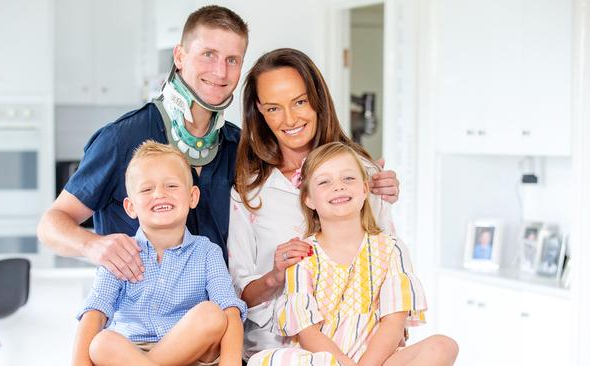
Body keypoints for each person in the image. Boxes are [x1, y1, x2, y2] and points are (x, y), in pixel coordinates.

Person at [36, 6, 399, 282]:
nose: (220, 71)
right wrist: (94, 246)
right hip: (137, 329)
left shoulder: (237, 147)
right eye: (208, 54)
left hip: (214, 334)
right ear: (179, 57)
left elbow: (300, 188)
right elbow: (52, 224)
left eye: (232, 60)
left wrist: (364, 181)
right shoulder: (123, 138)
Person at [228, 48, 400, 359]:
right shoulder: (250, 193)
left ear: (317, 99)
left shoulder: (366, 176)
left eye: (299, 102)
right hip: (279, 352)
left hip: (364, 353)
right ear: (259, 111)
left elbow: (393, 274)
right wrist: (275, 276)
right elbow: (238, 294)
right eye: (273, 108)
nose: (290, 119)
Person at [247, 142, 458, 366]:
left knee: (443, 346)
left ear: (365, 189)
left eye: (348, 178)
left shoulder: (390, 249)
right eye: (324, 182)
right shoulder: (303, 255)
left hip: (376, 359)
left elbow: (393, 323)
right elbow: (307, 332)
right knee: (270, 360)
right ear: (309, 199)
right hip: (322, 359)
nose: (338, 187)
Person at [72, 141, 247, 366]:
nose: (159, 194)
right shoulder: (120, 253)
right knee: (101, 343)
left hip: (190, 352)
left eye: (171, 186)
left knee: (213, 314)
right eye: (146, 189)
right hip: (129, 354)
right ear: (130, 207)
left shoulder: (207, 252)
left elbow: (230, 311)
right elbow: (93, 314)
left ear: (193, 197)